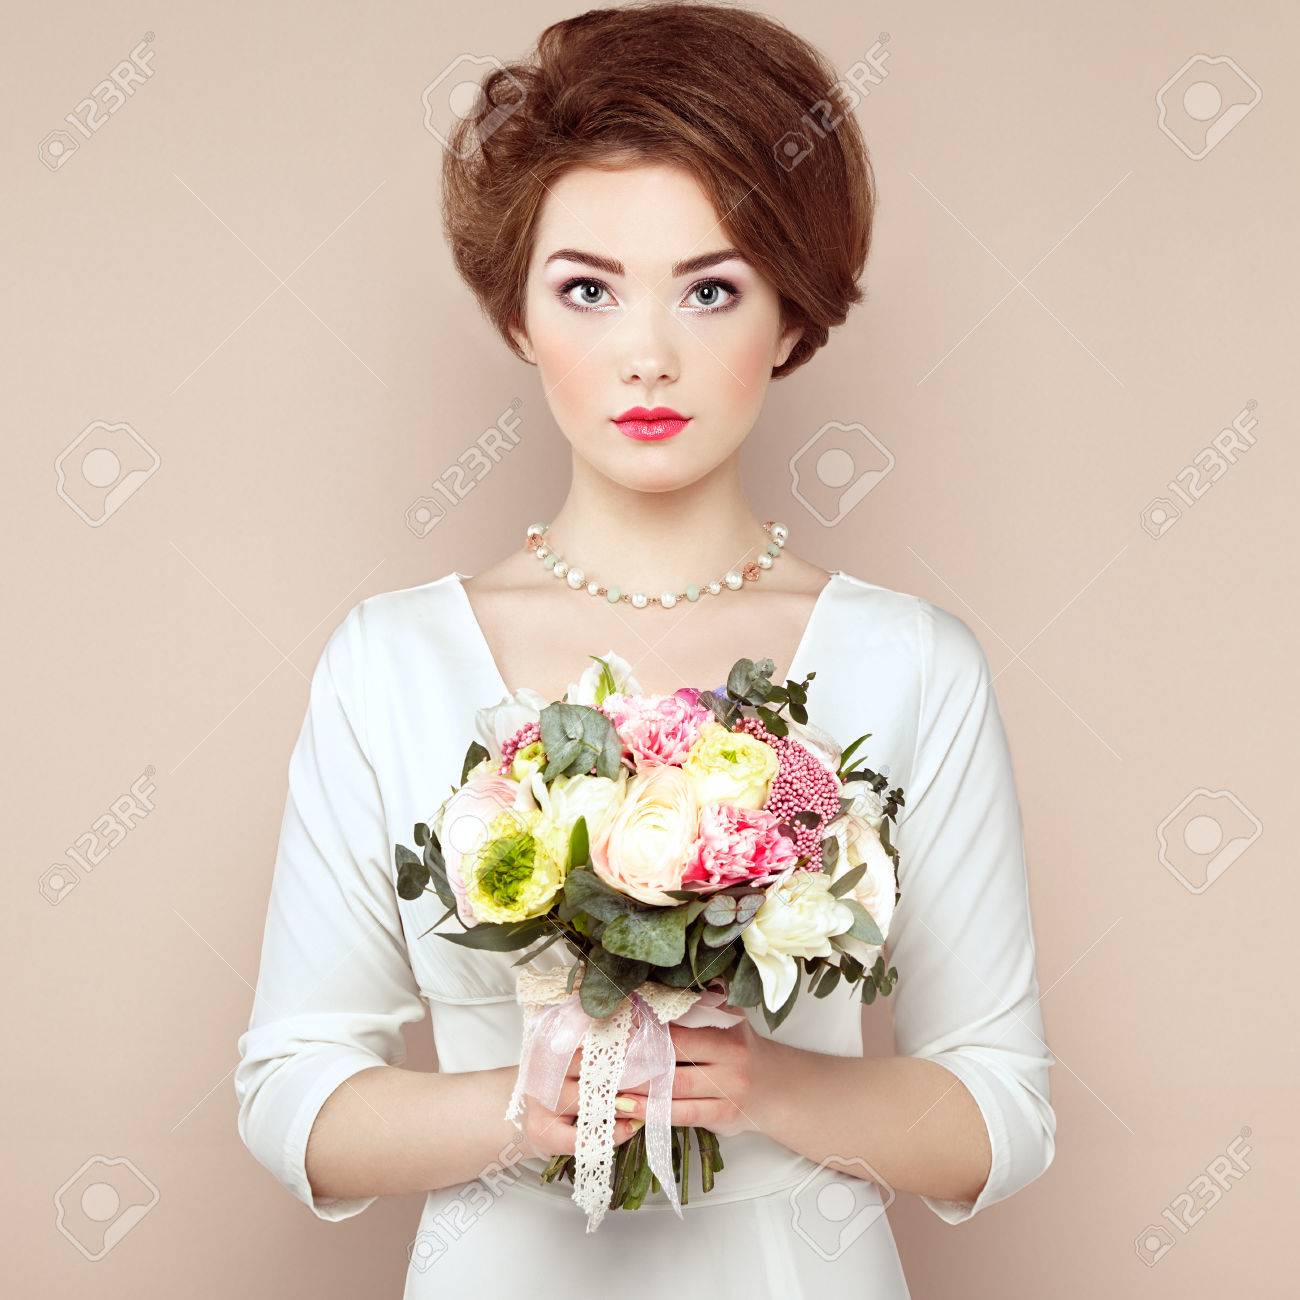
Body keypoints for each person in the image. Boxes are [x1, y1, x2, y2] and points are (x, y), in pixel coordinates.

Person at [233, 5, 1056, 1295]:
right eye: (588, 290)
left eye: (712, 289)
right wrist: (521, 1107)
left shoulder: (911, 664)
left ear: (791, 319)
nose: (648, 355)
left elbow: (1000, 1117)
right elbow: (293, 1096)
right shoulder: (389, 662)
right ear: (519, 317)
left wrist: (767, 1084)